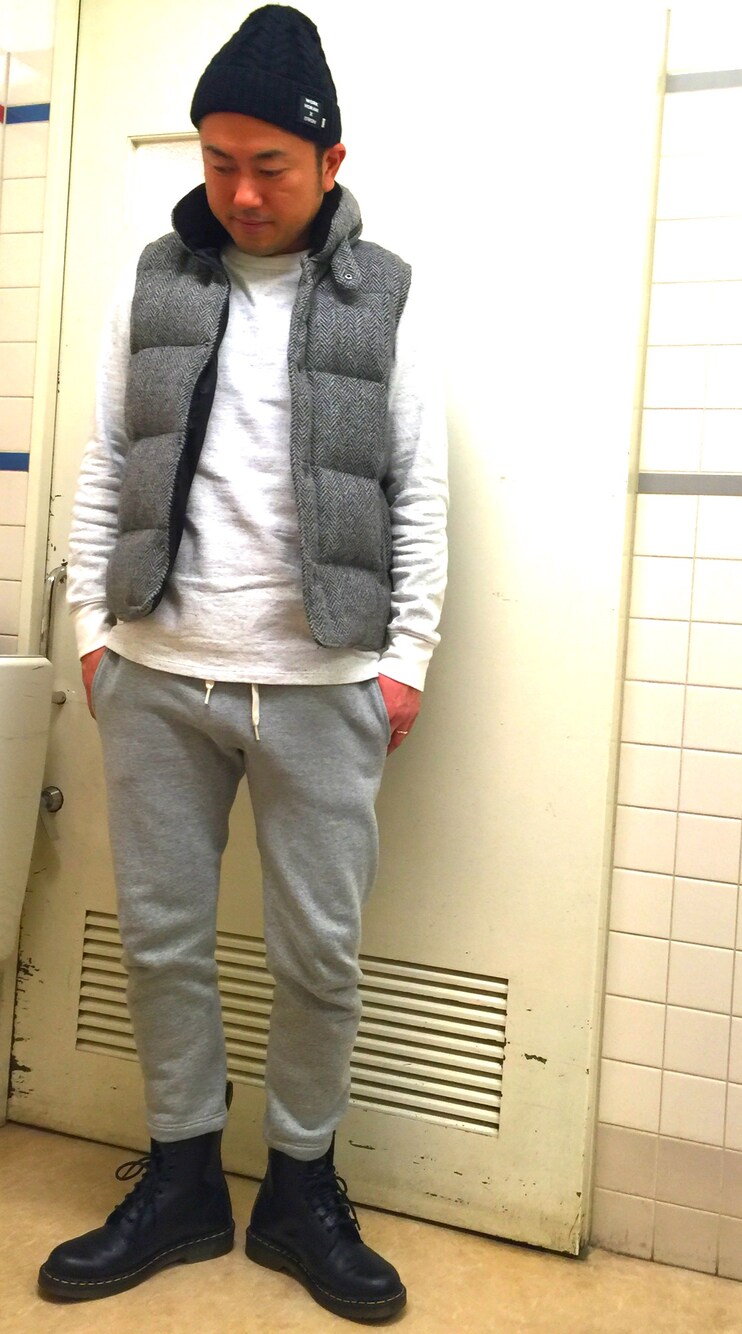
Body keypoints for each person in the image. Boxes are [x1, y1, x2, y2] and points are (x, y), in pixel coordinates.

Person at [39, 5, 446, 1321]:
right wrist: (93, 635)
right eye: (220, 162)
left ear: (330, 161)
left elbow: (420, 489)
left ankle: (301, 1191)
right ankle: (180, 1181)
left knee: (319, 954)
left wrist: (406, 659)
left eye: (270, 164)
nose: (243, 190)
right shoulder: (154, 285)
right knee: (162, 939)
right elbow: (105, 461)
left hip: (326, 685)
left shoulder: (385, 297)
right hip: (156, 672)